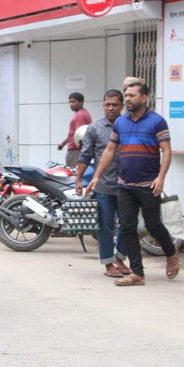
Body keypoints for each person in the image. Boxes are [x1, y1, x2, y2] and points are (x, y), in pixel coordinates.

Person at [86, 82, 179, 286]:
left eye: (131, 95)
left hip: (149, 184)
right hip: (125, 184)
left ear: (144, 98)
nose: (127, 99)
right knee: (128, 228)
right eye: (126, 95)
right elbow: (110, 150)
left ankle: (171, 253)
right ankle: (138, 273)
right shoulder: (121, 123)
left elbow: (167, 151)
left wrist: (161, 177)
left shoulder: (157, 122)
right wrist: (96, 176)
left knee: (153, 225)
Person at [76, 90, 131, 277]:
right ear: (103, 105)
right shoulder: (95, 128)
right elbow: (86, 155)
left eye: (114, 104)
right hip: (104, 186)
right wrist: (79, 178)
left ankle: (120, 258)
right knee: (105, 225)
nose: (111, 108)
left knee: (127, 224)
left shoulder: (129, 126)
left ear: (122, 106)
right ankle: (108, 263)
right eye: (107, 104)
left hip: (127, 185)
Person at [58, 92, 92, 168]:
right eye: (70, 102)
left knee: (73, 174)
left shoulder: (79, 115)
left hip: (76, 151)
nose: (71, 104)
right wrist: (63, 143)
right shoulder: (85, 113)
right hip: (78, 150)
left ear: (81, 102)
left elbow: (80, 135)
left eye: (73, 102)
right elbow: (74, 133)